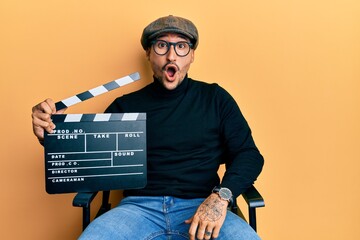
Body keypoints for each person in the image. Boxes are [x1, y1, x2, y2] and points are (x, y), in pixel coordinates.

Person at [32, 15, 264, 240]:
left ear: (192, 55)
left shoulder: (215, 98)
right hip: (136, 210)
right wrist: (51, 135)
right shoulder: (125, 106)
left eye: (181, 46)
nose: (171, 56)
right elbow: (91, 164)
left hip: (203, 204)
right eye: (162, 46)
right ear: (149, 53)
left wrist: (221, 197)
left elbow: (249, 155)